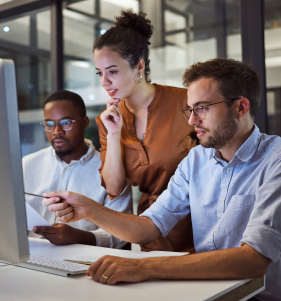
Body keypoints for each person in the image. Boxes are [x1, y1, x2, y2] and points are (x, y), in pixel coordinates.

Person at [43, 59, 281, 301]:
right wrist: (89, 209)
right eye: (190, 109)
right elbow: (149, 227)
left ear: (241, 107)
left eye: (202, 108)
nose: (191, 121)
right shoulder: (196, 159)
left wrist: (145, 268)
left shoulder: (276, 160)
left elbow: (254, 260)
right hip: (210, 293)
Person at [94, 9, 198, 252]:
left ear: (139, 66)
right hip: (150, 231)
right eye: (99, 73)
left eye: (112, 71)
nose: (104, 82)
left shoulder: (186, 101)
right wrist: (114, 133)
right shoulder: (108, 120)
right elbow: (114, 188)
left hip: (198, 226)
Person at [23, 90, 132, 248]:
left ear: (85, 123)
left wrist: (79, 237)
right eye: (49, 124)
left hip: (85, 262)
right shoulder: (27, 165)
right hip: (30, 255)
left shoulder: (111, 170)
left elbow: (123, 233)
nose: (57, 131)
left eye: (66, 122)